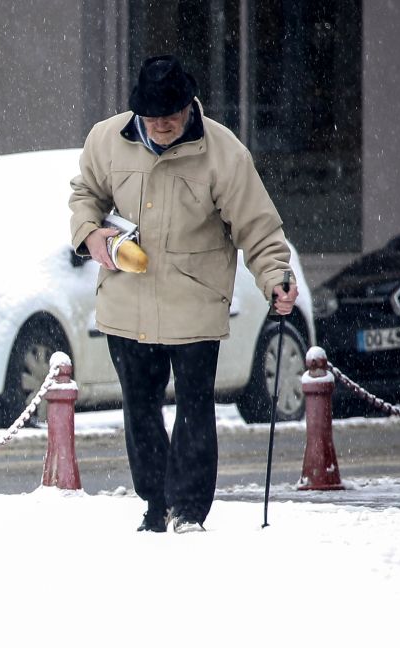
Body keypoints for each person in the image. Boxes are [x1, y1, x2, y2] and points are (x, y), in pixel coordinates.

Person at [69, 54, 298, 534]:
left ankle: (189, 509)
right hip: (127, 303)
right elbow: (86, 194)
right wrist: (92, 236)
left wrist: (275, 275)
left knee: (195, 408)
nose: (162, 126)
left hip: (195, 303)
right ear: (138, 114)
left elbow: (257, 225)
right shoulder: (106, 140)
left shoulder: (224, 154)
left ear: (189, 107)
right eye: (153, 119)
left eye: (170, 117)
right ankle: (156, 504)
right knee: (140, 409)